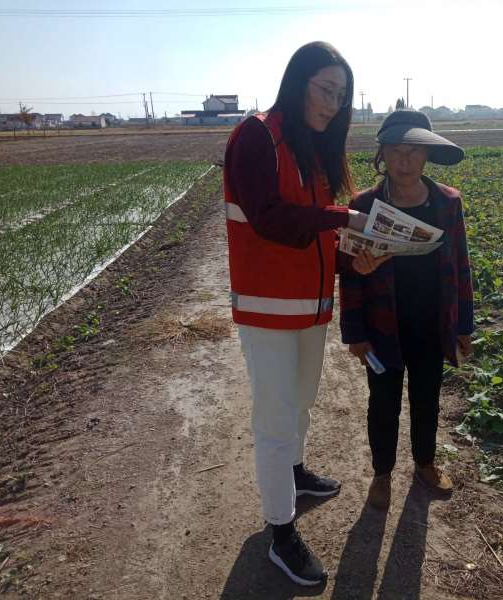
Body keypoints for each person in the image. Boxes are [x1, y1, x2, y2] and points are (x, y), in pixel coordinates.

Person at [222, 41, 368, 586]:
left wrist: (357, 249)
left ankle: (296, 472)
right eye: (326, 90)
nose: (333, 104)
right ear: (298, 82)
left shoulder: (315, 147)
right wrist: (342, 218)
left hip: (312, 307)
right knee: (275, 418)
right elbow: (270, 218)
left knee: (302, 401)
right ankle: (281, 533)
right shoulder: (257, 136)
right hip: (267, 310)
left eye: (341, 95)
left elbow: (319, 235)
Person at [339, 110, 475, 511]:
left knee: (426, 398)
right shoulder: (364, 205)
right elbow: (350, 274)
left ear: (426, 155)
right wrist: (355, 334)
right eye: (396, 151)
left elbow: (461, 265)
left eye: (414, 151)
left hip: (432, 323)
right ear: (382, 154)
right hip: (383, 326)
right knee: (382, 404)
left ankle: (425, 463)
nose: (405, 160)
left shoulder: (447, 203)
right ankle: (382, 474)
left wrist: (463, 324)